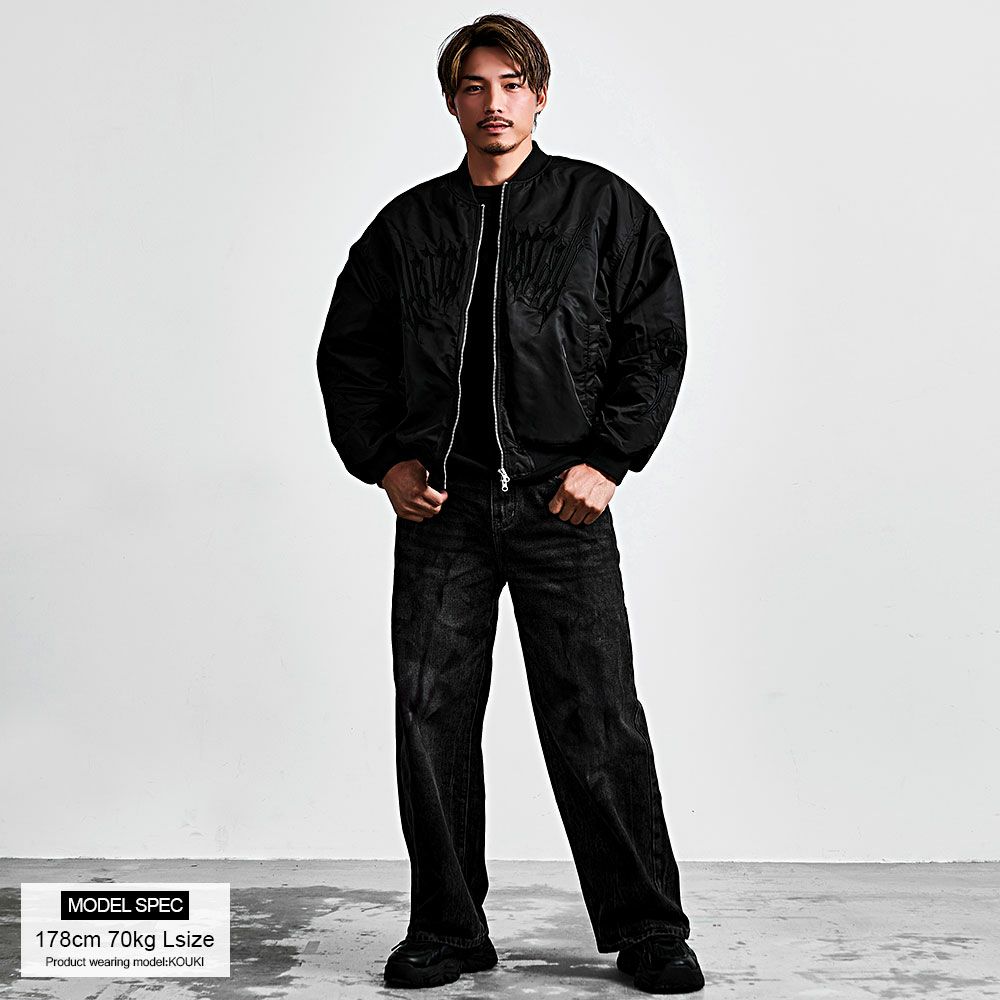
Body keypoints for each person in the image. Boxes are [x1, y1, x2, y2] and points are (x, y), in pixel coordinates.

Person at [316, 13, 704, 995]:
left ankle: (649, 928)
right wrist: (385, 463)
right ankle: (448, 930)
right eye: (474, 85)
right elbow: (349, 353)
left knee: (596, 715)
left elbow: (653, 339)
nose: (494, 103)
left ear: (540, 95)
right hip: (441, 511)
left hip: (559, 508)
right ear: (451, 101)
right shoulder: (408, 227)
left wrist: (608, 460)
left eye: (512, 83)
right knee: (431, 718)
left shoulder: (602, 209)